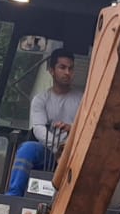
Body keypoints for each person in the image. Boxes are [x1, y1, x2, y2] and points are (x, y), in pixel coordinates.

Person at [6, 49, 81, 196]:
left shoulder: (83, 100)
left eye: (70, 68)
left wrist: (71, 129)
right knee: (27, 149)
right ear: (51, 70)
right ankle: (13, 197)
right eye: (62, 67)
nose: (67, 72)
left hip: (75, 154)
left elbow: (88, 128)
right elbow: (39, 128)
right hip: (49, 153)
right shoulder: (40, 100)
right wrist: (58, 148)